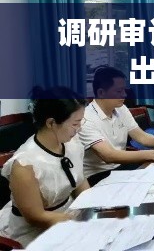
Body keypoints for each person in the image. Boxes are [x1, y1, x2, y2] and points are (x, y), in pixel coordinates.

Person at [0, 87, 89, 247]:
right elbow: (36, 217)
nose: (79, 129)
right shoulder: (25, 164)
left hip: (68, 216)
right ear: (51, 123)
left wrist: (94, 206)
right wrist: (76, 222)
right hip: (35, 232)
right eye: (75, 124)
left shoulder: (72, 144)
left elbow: (80, 182)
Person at [79, 67, 154, 186]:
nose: (124, 94)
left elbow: (141, 137)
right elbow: (108, 155)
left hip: (121, 167)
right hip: (99, 175)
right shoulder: (86, 118)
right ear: (101, 93)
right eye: (119, 91)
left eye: (124, 90)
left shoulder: (121, 108)